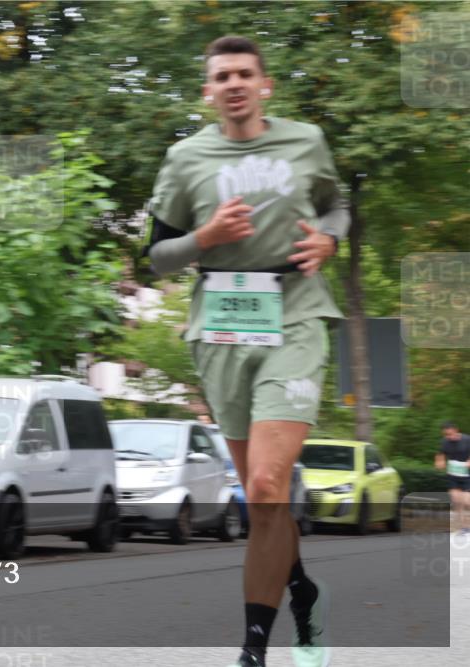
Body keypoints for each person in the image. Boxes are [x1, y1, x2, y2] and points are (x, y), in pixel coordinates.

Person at [145, 36, 348, 667]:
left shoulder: (305, 141)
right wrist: (203, 236)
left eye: (244, 74)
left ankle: (253, 649)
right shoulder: (186, 159)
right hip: (222, 327)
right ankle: (301, 589)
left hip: (296, 315)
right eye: (221, 76)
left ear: (265, 85)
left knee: (266, 483)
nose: (233, 84)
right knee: (264, 500)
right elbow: (156, 256)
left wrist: (331, 242)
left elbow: (337, 207)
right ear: (208, 92)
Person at [435, 421, 470, 534]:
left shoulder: (467, 439)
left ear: (456, 430)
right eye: (446, 434)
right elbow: (440, 453)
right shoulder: (445, 442)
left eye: (450, 434)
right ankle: (463, 526)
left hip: (466, 475)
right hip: (453, 475)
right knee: (456, 500)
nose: (448, 437)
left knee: (466, 501)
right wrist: (439, 461)